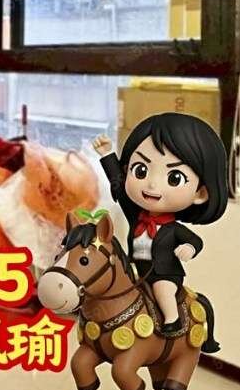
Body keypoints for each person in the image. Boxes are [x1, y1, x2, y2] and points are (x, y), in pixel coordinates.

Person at [92, 112, 226, 348]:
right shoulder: (136, 216)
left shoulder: (173, 229)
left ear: (200, 193)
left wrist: (188, 248)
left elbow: (195, 241)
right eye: (141, 171)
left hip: (164, 274)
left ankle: (172, 321)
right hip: (135, 270)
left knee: (162, 291)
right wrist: (106, 154)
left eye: (174, 177)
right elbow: (120, 186)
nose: (152, 185)